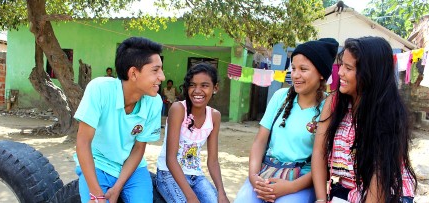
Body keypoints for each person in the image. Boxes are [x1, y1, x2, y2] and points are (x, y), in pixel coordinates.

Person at [312, 37, 417, 203]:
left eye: (348, 68)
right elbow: (319, 152)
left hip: (387, 195)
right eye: (341, 66)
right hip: (346, 193)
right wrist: (320, 199)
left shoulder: (389, 115)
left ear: (369, 73)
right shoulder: (334, 103)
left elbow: (380, 180)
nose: (339, 73)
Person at [234, 38, 339, 203]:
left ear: (321, 74)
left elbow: (324, 161)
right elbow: (259, 142)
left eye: (303, 69)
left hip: (301, 180)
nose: (295, 75)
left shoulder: (329, 107)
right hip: (266, 172)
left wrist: (291, 187)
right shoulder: (280, 97)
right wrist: (254, 178)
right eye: (293, 68)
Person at [74, 37, 165, 203]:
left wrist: (118, 187)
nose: (162, 77)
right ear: (133, 73)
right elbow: (83, 142)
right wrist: (97, 195)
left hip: (133, 169)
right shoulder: (100, 89)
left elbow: (139, 148)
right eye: (155, 70)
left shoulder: (154, 102)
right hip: (98, 163)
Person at [155, 63, 230, 203]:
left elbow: (213, 161)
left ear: (215, 88)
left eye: (204, 85)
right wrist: (191, 197)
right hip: (168, 174)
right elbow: (171, 159)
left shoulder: (214, 116)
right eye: (192, 85)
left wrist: (222, 192)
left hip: (196, 176)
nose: (197, 90)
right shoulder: (178, 109)